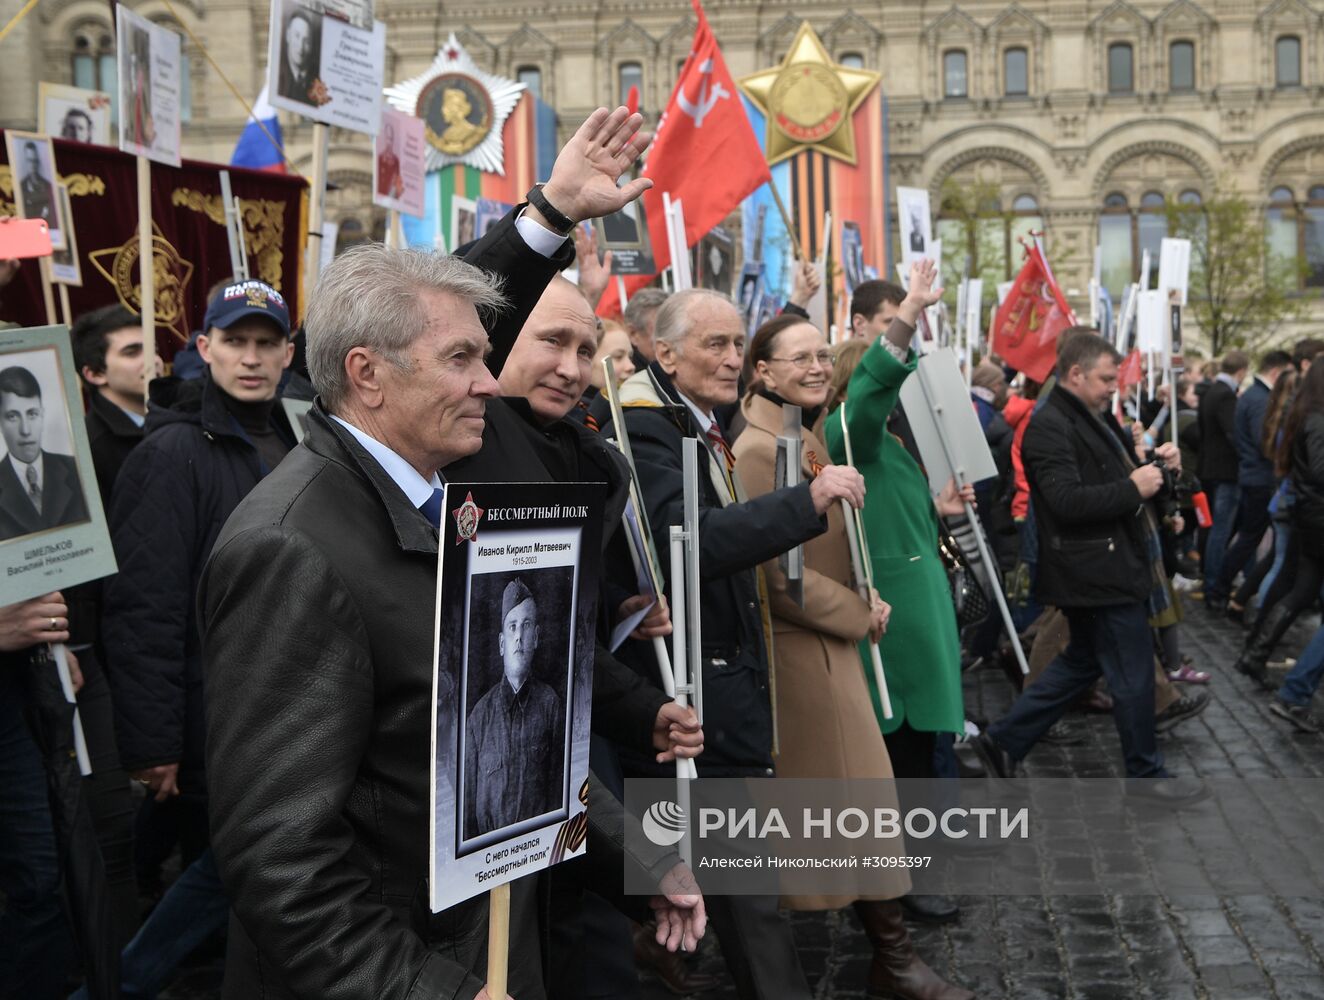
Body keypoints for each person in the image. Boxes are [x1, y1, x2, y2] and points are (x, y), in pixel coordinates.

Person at [200, 105, 664, 1000]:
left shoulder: (449, 503)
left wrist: (645, 867)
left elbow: (522, 753)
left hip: (487, 945)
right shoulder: (289, 549)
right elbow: (281, 865)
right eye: (463, 361)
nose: (492, 382)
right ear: (368, 375)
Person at [601, 287, 868, 1000]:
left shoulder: (695, 421)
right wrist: (803, 504)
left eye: (735, 341)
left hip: (715, 689)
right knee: (742, 900)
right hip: (685, 695)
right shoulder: (646, 430)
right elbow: (688, 544)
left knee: (728, 895)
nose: (731, 357)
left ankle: (656, 951)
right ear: (664, 353)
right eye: (713, 344)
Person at [735, 313, 974, 1000]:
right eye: (798, 357)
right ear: (764, 371)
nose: (815, 366)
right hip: (809, 650)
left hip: (830, 643)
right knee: (851, 811)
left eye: (820, 355)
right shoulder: (761, 450)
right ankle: (891, 960)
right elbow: (780, 579)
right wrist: (857, 611)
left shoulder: (796, 435)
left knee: (854, 812)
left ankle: (889, 957)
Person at [971, 332, 1207, 804]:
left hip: (1109, 567)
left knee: (1080, 665)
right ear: (1075, 374)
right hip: (1095, 573)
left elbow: (1123, 477)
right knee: (1133, 674)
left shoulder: (1091, 416)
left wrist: (1158, 468)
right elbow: (1065, 500)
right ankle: (1145, 776)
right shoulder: (1049, 424)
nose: (1110, 388)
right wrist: (1134, 486)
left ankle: (1000, 742)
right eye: (1104, 378)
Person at [1238, 360, 1324, 700]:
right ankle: (1264, 660)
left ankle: (1255, 653)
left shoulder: (1306, 415)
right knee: (1295, 586)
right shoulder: (1316, 420)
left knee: (1301, 591)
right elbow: (1319, 470)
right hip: (1317, 515)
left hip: (1309, 513)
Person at [464, 578, 566, 838]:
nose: (519, 636)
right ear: (501, 643)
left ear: (536, 638)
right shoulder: (478, 718)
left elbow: (558, 794)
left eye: (526, 625)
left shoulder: (550, 705)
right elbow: (466, 812)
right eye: (512, 627)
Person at [1214, 350, 1292, 618]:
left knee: (1253, 540)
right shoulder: (1260, 399)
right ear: (1276, 372)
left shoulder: (1253, 395)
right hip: (1260, 477)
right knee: (1250, 539)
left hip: (1253, 476)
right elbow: (1265, 443)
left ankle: (1226, 589)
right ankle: (1222, 588)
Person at [70, 304, 163, 508]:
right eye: (132, 353)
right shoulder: (86, 449)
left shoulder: (178, 421)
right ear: (94, 374)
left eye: (153, 349)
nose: (153, 360)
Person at [0, 365, 90, 541]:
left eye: (32, 414)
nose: (25, 430)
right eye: (13, 416)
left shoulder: (77, 470)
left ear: (42, 415)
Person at [1198, 349, 1249, 612]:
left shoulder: (1211, 391)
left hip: (1212, 468)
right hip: (1226, 471)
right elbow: (1234, 433)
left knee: (1218, 528)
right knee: (1221, 529)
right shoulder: (1225, 395)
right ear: (1241, 372)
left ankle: (1212, 580)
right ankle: (1214, 583)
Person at [277, 10, 317, 104]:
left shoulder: (317, 79)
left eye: (306, 41)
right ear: (288, 35)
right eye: (297, 36)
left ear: (311, 45)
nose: (300, 46)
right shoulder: (277, 76)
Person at [18, 142, 54, 230]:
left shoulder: (48, 185)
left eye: (35, 161)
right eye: (30, 161)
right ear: (26, 162)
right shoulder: (20, 186)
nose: (33, 165)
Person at [376, 121, 403, 198]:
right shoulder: (380, 158)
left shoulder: (396, 160)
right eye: (387, 139)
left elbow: (398, 179)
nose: (389, 142)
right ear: (384, 138)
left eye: (391, 139)